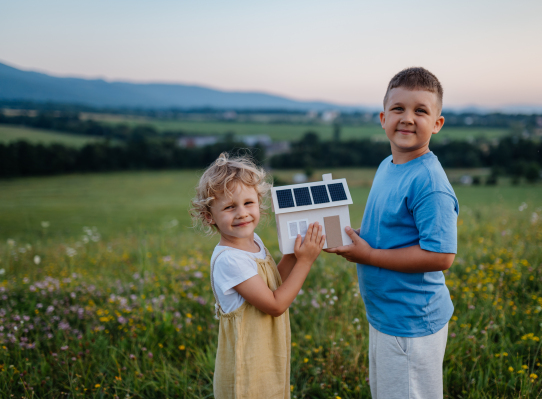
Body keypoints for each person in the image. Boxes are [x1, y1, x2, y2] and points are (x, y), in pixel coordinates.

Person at [325, 67, 458, 399]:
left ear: (437, 124)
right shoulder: (389, 165)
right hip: (387, 314)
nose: (408, 118)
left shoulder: (429, 182)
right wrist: (360, 237)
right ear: (383, 118)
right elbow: (391, 228)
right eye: (398, 109)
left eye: (421, 111)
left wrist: (368, 255)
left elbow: (441, 255)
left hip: (410, 322)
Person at [190, 153, 325, 399]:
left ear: (259, 202)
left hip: (266, 357)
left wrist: (294, 255)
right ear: (209, 216)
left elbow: (274, 283)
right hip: (246, 369)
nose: (242, 213)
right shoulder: (230, 260)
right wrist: (305, 262)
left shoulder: (254, 243)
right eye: (230, 207)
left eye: (248, 203)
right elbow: (275, 304)